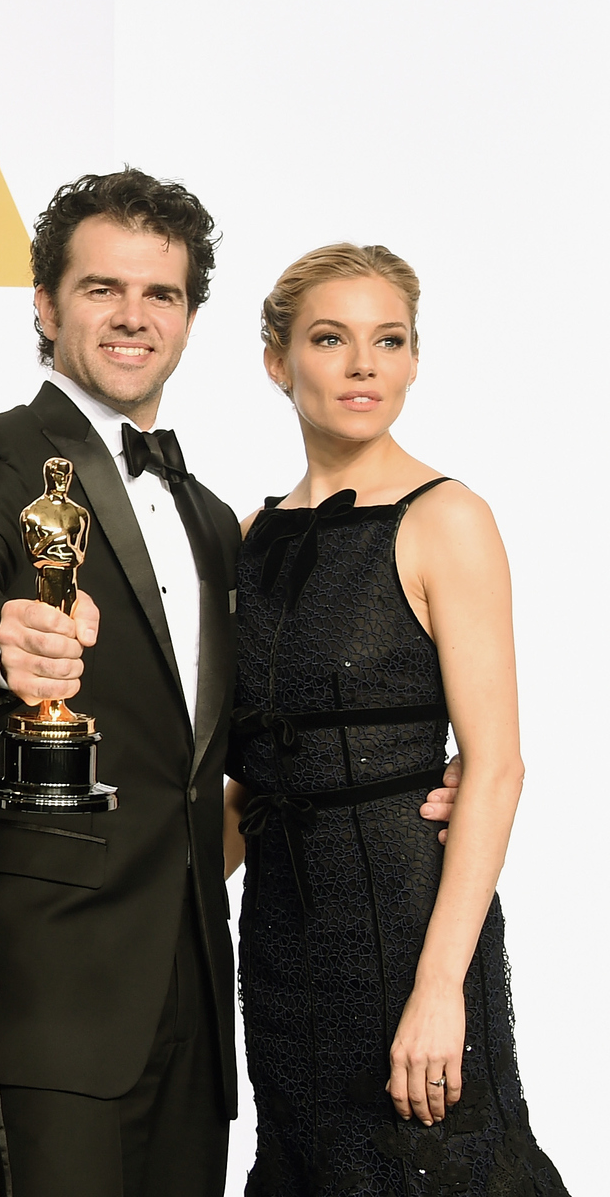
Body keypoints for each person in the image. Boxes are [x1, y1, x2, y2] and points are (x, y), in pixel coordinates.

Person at [0, 171, 460, 1196]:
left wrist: (399, 775)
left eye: (159, 294)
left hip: (197, 986)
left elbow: (246, 740)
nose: (130, 316)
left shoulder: (210, 516)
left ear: (190, 318)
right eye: (101, 288)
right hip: (47, 981)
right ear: (42, 304)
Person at [224, 244, 566, 1193]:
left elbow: (495, 767)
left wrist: (438, 989)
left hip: (409, 926)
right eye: (330, 339)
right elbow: (251, 770)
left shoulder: (448, 516)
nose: (363, 365)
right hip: (283, 938)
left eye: (390, 341)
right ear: (276, 360)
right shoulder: (250, 538)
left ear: (415, 360)